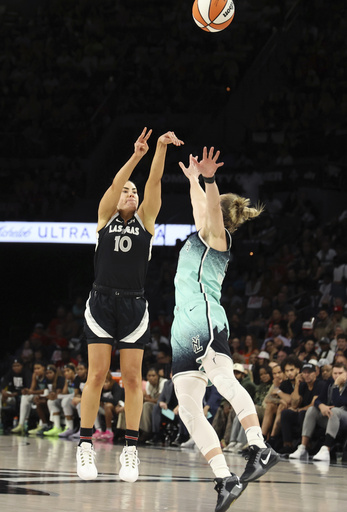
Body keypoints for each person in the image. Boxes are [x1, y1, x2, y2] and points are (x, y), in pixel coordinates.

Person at [170, 147, 279, 512]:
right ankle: (224, 477)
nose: (203, 209)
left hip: (203, 315)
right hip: (183, 324)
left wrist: (211, 179)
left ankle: (259, 446)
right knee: (188, 408)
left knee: (224, 380)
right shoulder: (203, 230)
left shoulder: (218, 237)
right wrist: (192, 180)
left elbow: (210, 209)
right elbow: (201, 206)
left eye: (210, 207)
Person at [76, 127, 183, 482]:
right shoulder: (104, 218)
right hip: (102, 301)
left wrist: (160, 149)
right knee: (96, 376)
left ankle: (131, 451)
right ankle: (86, 446)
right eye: (126, 190)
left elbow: (153, 183)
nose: (130, 192)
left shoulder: (146, 221)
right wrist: (136, 154)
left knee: (134, 379)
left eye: (133, 191)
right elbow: (113, 185)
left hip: (134, 305)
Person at [289, 362, 347, 461]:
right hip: (332, 417)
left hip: (344, 417)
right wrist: (321, 406)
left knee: (335, 411)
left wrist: (337, 385)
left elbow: (339, 402)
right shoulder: (329, 383)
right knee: (312, 409)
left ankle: (326, 449)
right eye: (335, 373)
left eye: (340, 373)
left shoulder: (337, 384)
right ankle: (303, 447)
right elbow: (317, 400)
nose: (337, 376)